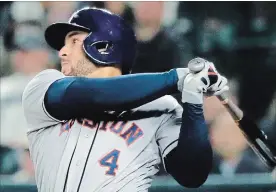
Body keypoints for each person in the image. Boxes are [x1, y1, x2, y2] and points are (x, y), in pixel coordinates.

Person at [22, 7, 228, 192]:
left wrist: (193, 100)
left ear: (103, 47)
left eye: (74, 41)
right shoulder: (44, 85)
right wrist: (177, 78)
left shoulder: (162, 107)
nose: (62, 52)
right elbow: (95, 95)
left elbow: (192, 175)